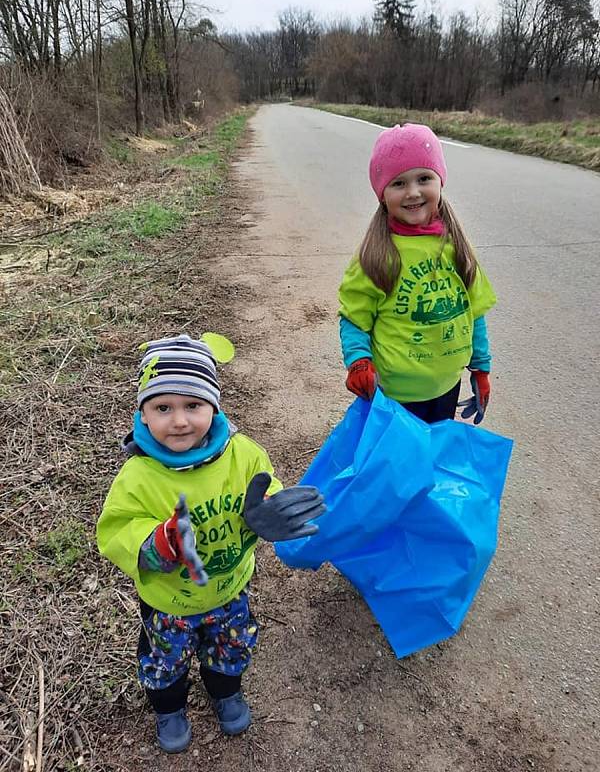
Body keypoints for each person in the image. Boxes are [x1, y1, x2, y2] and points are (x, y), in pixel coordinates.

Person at [96, 334, 325, 753]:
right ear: (143, 415)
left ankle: (225, 691)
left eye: (193, 406)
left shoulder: (241, 453)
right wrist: (154, 544)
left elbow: (264, 482)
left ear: (214, 407)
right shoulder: (139, 476)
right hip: (170, 603)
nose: (179, 421)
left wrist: (269, 507)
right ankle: (169, 708)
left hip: (229, 589)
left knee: (231, 647)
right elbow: (115, 529)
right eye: (163, 407)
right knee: (164, 662)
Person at [338, 123, 497, 424]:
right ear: (382, 194)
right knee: (399, 469)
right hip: (394, 394)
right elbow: (354, 318)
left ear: (440, 181)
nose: (413, 192)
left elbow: (474, 312)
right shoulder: (376, 254)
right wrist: (358, 361)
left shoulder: (457, 247)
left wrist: (481, 367)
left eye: (424, 178)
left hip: (446, 386)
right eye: (398, 183)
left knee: (431, 465)